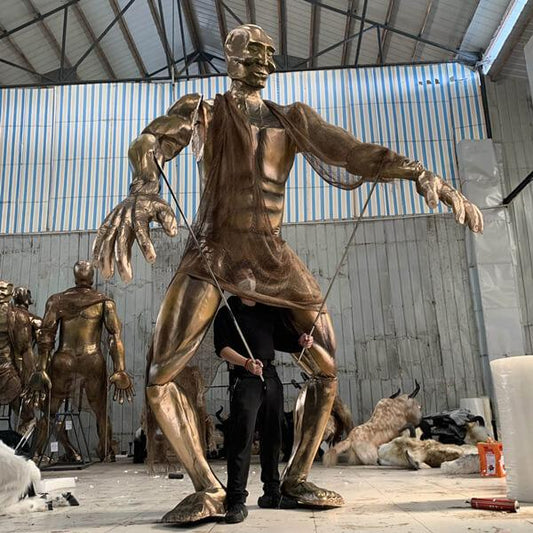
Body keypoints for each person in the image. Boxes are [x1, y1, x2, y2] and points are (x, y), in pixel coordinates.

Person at [92, 24, 483, 524]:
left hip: (272, 253)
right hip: (214, 248)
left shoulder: (293, 119)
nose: (264, 61)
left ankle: (295, 478)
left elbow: (353, 152)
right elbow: (149, 141)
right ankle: (210, 489)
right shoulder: (204, 111)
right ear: (230, 57)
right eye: (252, 51)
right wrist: (144, 186)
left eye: (269, 53)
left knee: (326, 367)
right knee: (159, 376)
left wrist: (419, 171)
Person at [213, 269, 313, 523]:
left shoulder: (267, 309)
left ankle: (272, 493)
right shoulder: (228, 312)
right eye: (244, 274)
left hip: (269, 376)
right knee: (242, 437)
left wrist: (300, 340)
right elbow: (222, 348)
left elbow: (281, 339)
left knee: (274, 436)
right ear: (235, 283)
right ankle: (236, 500)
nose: (249, 277)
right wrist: (246, 363)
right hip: (245, 377)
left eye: (252, 273)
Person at [25, 261, 134, 462]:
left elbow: (46, 336)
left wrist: (41, 368)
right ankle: (106, 452)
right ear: (92, 278)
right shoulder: (104, 303)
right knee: (100, 411)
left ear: (75, 277)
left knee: (49, 411)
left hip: (63, 360)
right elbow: (114, 338)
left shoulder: (57, 300)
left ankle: (37, 453)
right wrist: (120, 368)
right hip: (92, 360)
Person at [0, 280, 36, 434]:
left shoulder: (19, 317)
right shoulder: (19, 316)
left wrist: (31, 380)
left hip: (9, 373)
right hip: (9, 372)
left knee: (28, 416)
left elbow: (26, 350)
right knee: (28, 416)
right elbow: (26, 350)